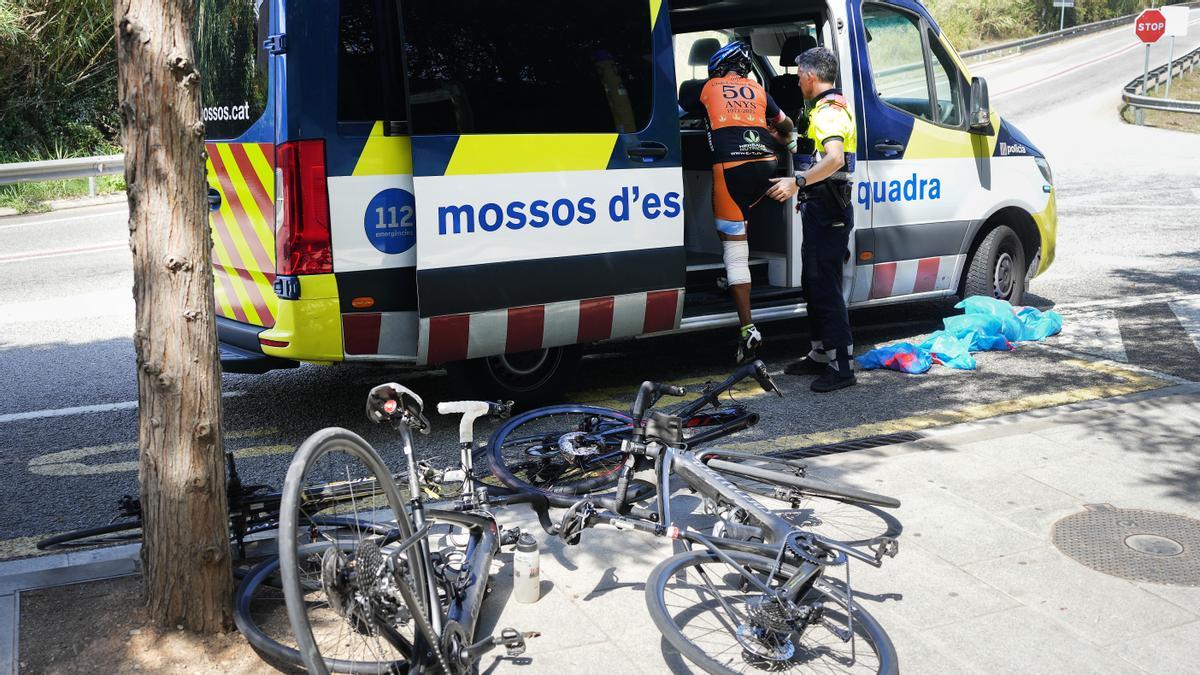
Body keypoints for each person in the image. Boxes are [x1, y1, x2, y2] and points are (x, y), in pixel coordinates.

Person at [688, 41, 795, 363]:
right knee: (743, 223)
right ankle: (731, 280)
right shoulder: (759, 89)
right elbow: (787, 125)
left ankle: (748, 328)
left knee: (734, 248)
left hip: (730, 168)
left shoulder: (708, 88)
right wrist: (779, 136)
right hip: (766, 165)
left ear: (718, 68)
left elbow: (690, 113)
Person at [764, 46, 857, 392]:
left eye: (800, 72)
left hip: (829, 210)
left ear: (812, 76)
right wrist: (784, 141)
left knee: (826, 286)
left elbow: (833, 160)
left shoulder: (829, 113)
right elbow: (812, 152)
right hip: (820, 209)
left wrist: (797, 182)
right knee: (813, 282)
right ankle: (820, 354)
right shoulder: (820, 110)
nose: (797, 78)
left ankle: (842, 366)